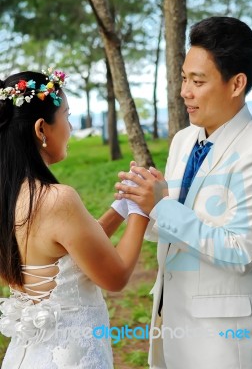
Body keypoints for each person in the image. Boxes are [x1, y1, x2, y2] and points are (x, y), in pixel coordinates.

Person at [114, 17, 252, 368]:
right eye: (184, 78)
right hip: (171, 324)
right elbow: (178, 231)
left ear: (236, 84)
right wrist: (145, 201)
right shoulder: (183, 140)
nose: (185, 91)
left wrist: (163, 205)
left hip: (225, 344)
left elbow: (241, 251)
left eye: (197, 81)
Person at [0, 69, 148, 369]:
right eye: (66, 116)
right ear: (42, 129)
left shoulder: (8, 197)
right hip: (69, 357)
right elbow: (115, 277)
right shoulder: (56, 199)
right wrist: (142, 211)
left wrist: (120, 208)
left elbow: (71, 249)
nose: (69, 126)